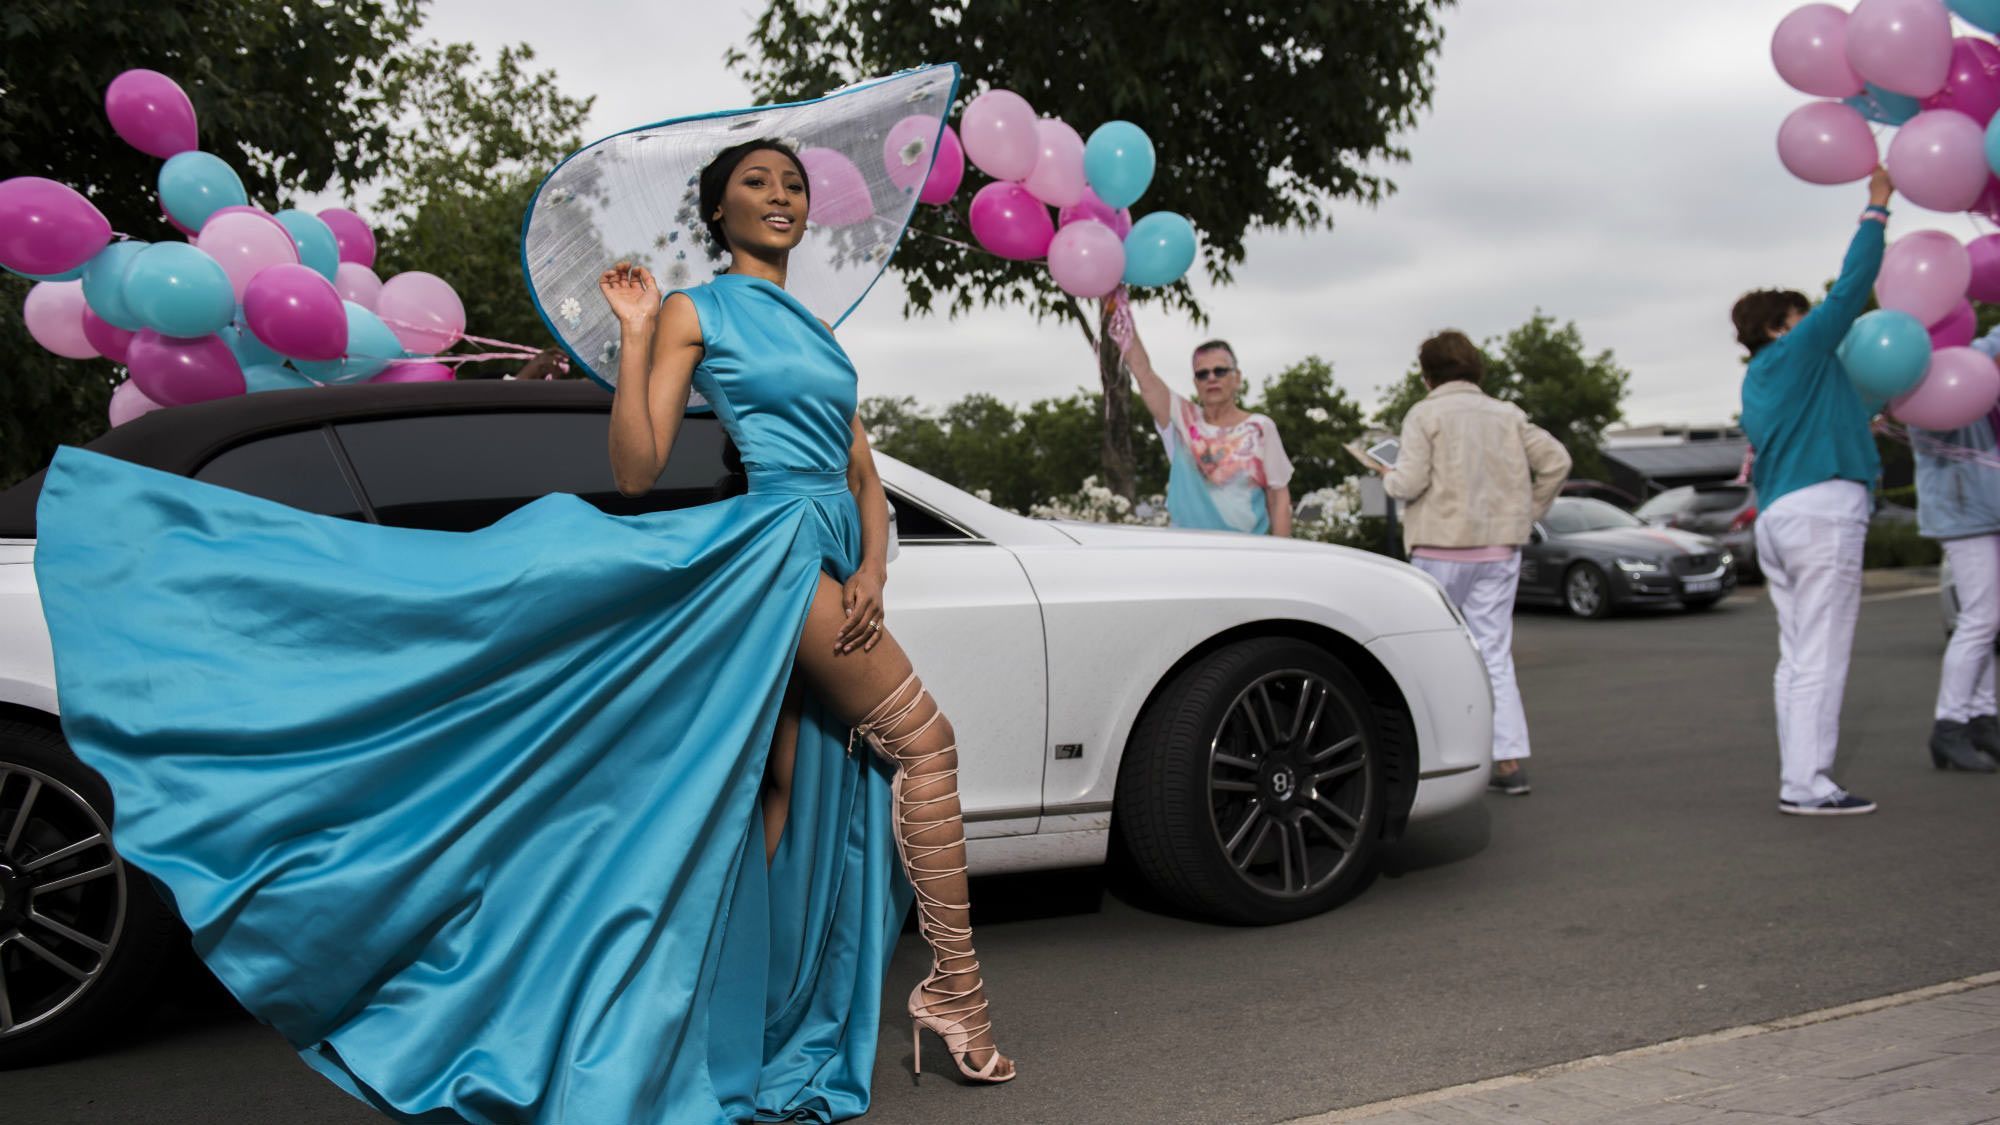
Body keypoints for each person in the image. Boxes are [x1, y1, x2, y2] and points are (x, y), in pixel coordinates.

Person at [32, 135, 1012, 1125]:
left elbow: (861, 471)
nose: (780, 196)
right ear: (713, 214)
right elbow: (635, 469)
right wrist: (635, 337)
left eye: (792, 184)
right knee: (926, 747)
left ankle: (709, 1024)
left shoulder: (817, 331)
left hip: (841, 558)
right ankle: (953, 998)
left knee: (777, 808)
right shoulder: (692, 311)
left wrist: (877, 569)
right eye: (754, 183)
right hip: (785, 553)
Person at [1733, 165, 1896, 816]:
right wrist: (1877, 207)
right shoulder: (1799, 349)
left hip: (1780, 516)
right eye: (1801, 317)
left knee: (1797, 653)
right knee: (1822, 650)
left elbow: (1802, 424)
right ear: (1781, 324)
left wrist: (1856, 421)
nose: (1813, 324)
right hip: (1822, 513)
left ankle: (1798, 775)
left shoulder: (1759, 378)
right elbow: (1853, 287)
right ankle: (1808, 783)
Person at [1373, 330, 1570, 796]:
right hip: (1499, 548)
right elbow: (1558, 460)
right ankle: (1508, 761)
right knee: (1495, 655)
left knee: (1431, 654)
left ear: (1427, 375)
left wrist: (1386, 476)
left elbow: (1409, 484)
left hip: (1440, 549)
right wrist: (1528, 512)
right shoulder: (1507, 415)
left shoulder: (1425, 414)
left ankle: (1436, 763)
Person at [1104, 289, 1295, 535]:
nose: (1211, 378)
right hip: (1188, 551)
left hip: (1247, 553)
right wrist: (1113, 303)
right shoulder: (1181, 417)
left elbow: (1278, 497)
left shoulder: (1260, 427)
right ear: (1195, 382)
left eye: (1220, 371)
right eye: (1202, 374)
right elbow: (1142, 371)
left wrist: (1283, 558)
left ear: (1237, 378)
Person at [1911, 325, 2000, 772]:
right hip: (1965, 515)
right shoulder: (1938, 376)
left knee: (1986, 620)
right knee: (1981, 619)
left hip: (1984, 510)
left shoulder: (1971, 372)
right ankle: (1949, 726)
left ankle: (1982, 717)